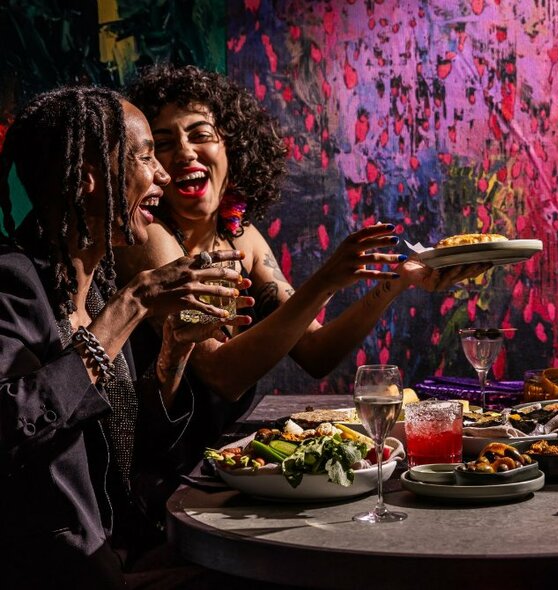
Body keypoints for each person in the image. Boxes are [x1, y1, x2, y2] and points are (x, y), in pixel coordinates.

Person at [118, 64, 488, 474]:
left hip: (220, 463)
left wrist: (398, 282)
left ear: (232, 148)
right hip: (156, 467)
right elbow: (220, 375)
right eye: (164, 143)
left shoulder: (243, 238)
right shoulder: (150, 238)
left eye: (201, 135)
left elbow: (315, 352)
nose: (185, 152)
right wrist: (326, 279)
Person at [0, 86, 251, 588]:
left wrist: (173, 356)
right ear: (88, 178)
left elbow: (137, 455)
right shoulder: (12, 282)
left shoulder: (99, 289)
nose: (162, 174)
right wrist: (134, 303)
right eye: (144, 157)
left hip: (132, 546)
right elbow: (14, 423)